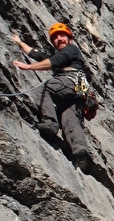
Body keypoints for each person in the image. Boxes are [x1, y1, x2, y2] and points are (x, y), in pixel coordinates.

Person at [12, 23, 92, 166]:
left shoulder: (71, 50)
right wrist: (19, 43)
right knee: (69, 120)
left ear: (70, 39)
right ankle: (80, 152)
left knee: (43, 89)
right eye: (55, 38)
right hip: (78, 93)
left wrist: (29, 67)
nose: (59, 39)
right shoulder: (63, 55)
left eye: (62, 35)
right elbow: (37, 54)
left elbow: (52, 62)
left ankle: (50, 123)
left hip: (70, 82)